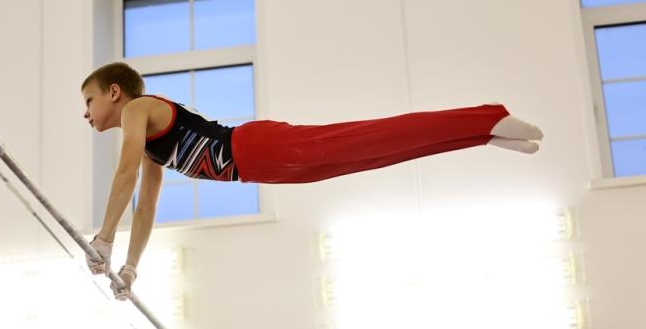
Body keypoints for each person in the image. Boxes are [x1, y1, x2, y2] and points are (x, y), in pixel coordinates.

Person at [81, 62, 543, 285]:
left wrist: (103, 238)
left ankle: (487, 117)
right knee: (375, 156)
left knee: (372, 139)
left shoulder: (140, 109)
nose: (86, 113)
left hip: (255, 147)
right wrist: (131, 267)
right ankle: (482, 134)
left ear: (115, 92)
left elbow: (124, 174)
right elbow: (145, 207)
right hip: (261, 169)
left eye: (89, 101)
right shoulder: (152, 149)